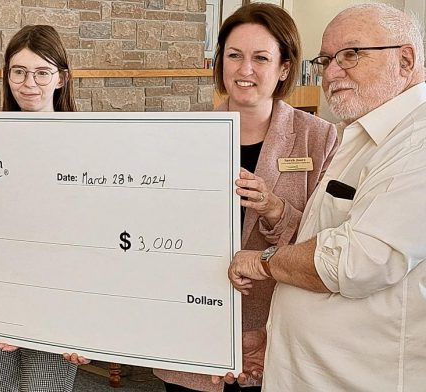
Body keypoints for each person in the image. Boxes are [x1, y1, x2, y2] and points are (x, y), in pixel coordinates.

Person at [228, 3, 426, 391]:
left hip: (359, 377)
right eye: (326, 59)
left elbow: (357, 260)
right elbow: (318, 234)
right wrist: (277, 335)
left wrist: (262, 260)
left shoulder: (415, 141)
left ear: (405, 60)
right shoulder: (361, 134)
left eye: (352, 55)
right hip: (308, 368)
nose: (332, 72)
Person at [154, 4, 338, 392]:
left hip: (274, 339)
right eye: (234, 56)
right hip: (192, 336)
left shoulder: (319, 138)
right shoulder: (182, 137)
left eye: (261, 58)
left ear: (285, 68)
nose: (245, 70)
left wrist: (274, 208)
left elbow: (329, 244)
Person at [0, 25, 86, 392]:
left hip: (57, 303)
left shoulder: (88, 143)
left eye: (42, 72)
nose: (28, 83)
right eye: (18, 71)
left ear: (61, 78)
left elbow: (92, 239)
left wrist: (86, 322)